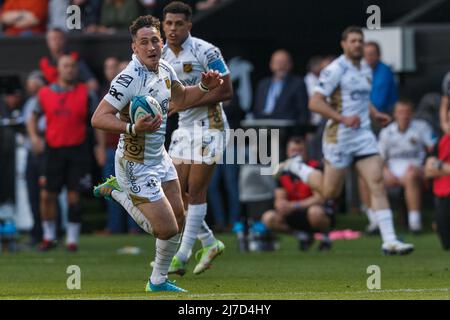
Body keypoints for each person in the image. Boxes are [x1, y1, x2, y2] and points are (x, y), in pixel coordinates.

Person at [91, 15, 223, 293]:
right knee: (164, 229)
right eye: (144, 42)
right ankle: (117, 192)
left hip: (159, 157)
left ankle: (158, 281)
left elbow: (181, 99)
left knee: (180, 219)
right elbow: (98, 118)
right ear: (134, 48)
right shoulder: (128, 78)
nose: (151, 46)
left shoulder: (164, 68)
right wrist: (131, 127)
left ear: (161, 43)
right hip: (135, 164)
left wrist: (203, 88)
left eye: (155, 40)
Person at [284, 26, 414, 255]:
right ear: (343, 44)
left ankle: (390, 240)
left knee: (377, 181)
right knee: (329, 192)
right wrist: (342, 118)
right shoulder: (334, 69)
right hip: (339, 136)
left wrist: (375, 113)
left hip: (363, 135)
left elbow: (362, 99)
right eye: (353, 41)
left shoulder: (365, 67)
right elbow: (314, 103)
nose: (357, 45)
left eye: (360, 41)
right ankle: (296, 166)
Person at [161, 1, 233, 275]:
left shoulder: (206, 50)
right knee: (176, 195)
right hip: (183, 129)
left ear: (188, 25)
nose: (173, 28)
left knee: (196, 190)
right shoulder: (163, 54)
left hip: (211, 126)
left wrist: (182, 104)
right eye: (168, 23)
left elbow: (227, 91)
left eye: (179, 23)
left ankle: (181, 256)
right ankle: (210, 242)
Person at [27, 54, 97, 252]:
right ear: (59, 69)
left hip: (78, 150)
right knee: (47, 195)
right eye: (66, 66)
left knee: (74, 196)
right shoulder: (45, 93)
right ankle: (49, 237)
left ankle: (72, 240)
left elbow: (97, 120)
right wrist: (34, 137)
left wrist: (99, 146)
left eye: (73, 66)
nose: (70, 69)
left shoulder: (86, 93)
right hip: (53, 150)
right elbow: (32, 116)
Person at [262, 136, 332, 251]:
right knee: (268, 217)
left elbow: (320, 198)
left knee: (315, 212)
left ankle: (325, 238)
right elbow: (279, 198)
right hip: (292, 212)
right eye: (293, 151)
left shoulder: (315, 168)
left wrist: (294, 205)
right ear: (287, 152)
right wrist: (281, 205)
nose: (296, 154)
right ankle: (303, 236)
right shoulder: (283, 171)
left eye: (300, 151)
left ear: (306, 152)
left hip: (312, 210)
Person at [96, 57, 140, 234]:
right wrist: (99, 146)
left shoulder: (134, 90)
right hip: (109, 148)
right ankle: (114, 227)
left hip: (129, 147)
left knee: (132, 188)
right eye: (107, 67)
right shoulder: (106, 93)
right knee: (111, 189)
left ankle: (134, 227)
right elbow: (98, 123)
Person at [377, 100, 436, 233]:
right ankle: (376, 222)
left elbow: (433, 149)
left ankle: (415, 223)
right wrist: (385, 171)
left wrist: (424, 165)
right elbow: (379, 158)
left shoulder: (422, 127)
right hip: (392, 172)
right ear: (395, 114)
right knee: (367, 176)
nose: (404, 116)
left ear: (413, 113)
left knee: (411, 176)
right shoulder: (386, 132)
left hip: (416, 170)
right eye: (400, 112)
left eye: (407, 112)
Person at [253, 49, 309, 124]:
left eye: (284, 62)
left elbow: (303, 112)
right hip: (261, 126)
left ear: (290, 64)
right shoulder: (263, 84)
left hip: (285, 128)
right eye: (277, 62)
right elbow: (256, 108)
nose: (281, 66)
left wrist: (299, 132)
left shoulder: (298, 84)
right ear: (271, 64)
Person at [425, 109, 450, 250]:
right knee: (446, 243)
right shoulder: (441, 141)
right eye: (448, 120)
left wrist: (440, 166)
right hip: (442, 191)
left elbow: (434, 166)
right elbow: (428, 170)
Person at [364, 41, 398, 114]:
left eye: (371, 54)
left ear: (379, 55)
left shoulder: (384, 72)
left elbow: (378, 103)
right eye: (365, 54)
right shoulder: (366, 69)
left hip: (384, 114)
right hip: (371, 112)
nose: (368, 57)